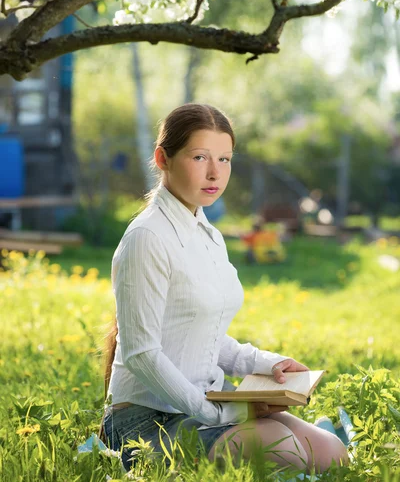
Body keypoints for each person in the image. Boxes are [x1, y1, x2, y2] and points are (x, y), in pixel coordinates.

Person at [101, 103, 348, 473]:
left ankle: (311, 435)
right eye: (200, 157)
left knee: (332, 454)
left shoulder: (210, 235)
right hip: (145, 423)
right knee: (286, 450)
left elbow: (206, 334)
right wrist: (216, 411)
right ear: (163, 159)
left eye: (225, 159)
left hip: (210, 401)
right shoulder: (146, 238)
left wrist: (268, 364)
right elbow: (142, 354)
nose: (215, 172)